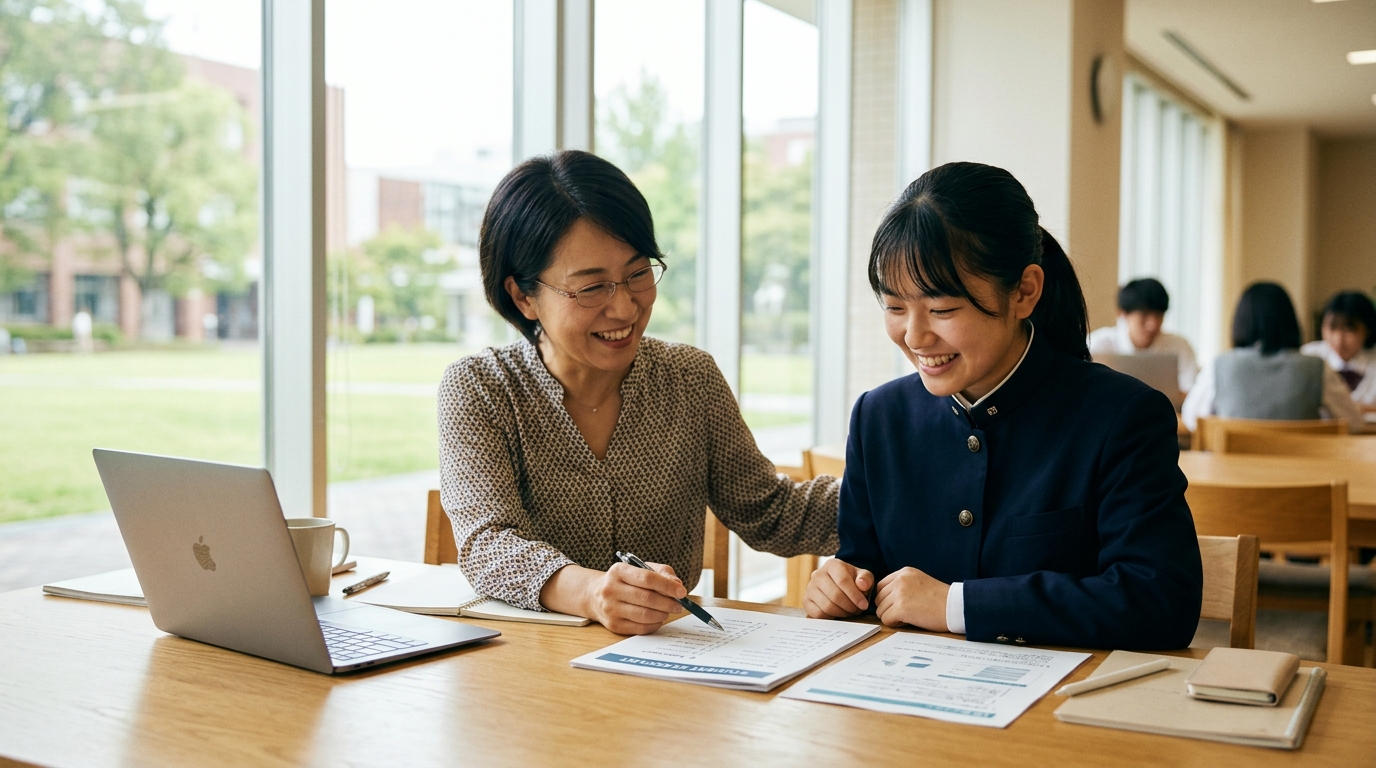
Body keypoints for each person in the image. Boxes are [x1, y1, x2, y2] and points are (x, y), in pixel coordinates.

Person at [803, 162, 1202, 650]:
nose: (915, 336)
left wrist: (955, 605)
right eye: (895, 307)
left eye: (942, 309)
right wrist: (840, 587)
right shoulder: (878, 418)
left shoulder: (1122, 416)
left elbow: (1161, 601)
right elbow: (865, 571)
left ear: (1024, 292)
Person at [439, 150, 839, 636]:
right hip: (530, 658)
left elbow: (772, 512)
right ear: (524, 296)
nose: (626, 308)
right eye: (592, 288)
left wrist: (903, 482)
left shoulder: (689, 379)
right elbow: (487, 544)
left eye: (637, 274)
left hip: (667, 655)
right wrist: (591, 593)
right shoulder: (481, 389)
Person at [1181, 282, 1365, 434]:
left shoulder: (1219, 366)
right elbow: (1354, 423)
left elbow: (1191, 419)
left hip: (1232, 467)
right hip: (1301, 467)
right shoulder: (1316, 368)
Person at [1088, 277, 1197, 395]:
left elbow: (1190, 393)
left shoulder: (1179, 347)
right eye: (1144, 316)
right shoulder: (1098, 345)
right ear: (1122, 314)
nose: (1152, 325)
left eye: (1159, 316)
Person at [1301, 291, 1376, 412]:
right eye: (1332, 328)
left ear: (1368, 329)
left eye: (1349, 329)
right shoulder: (1310, 356)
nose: (1339, 339)